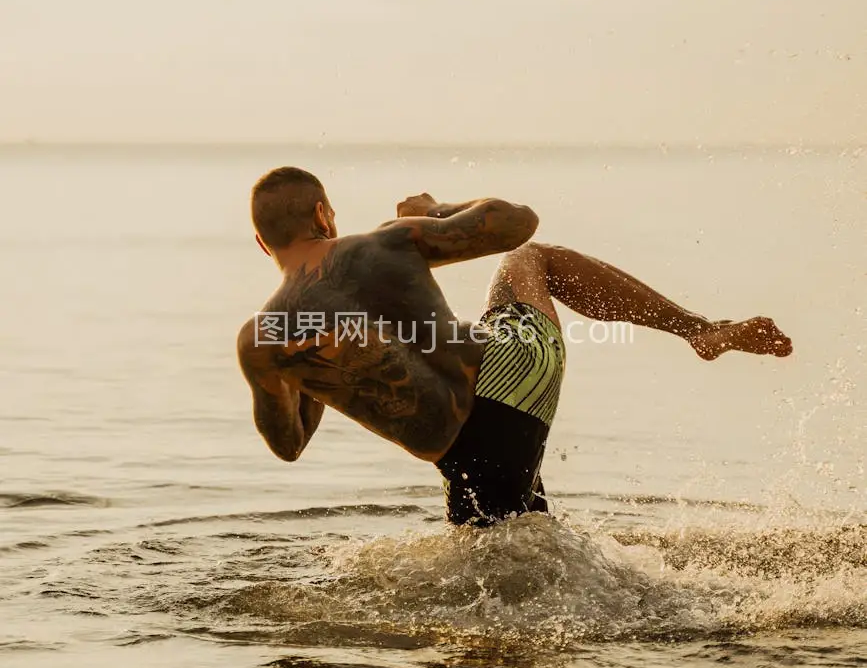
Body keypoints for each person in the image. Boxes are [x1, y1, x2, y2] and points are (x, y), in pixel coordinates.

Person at [237, 166, 792, 526]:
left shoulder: (262, 340)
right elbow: (516, 223)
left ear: (262, 243)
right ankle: (698, 329)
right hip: (509, 376)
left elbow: (289, 445)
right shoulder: (383, 241)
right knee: (531, 261)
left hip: (461, 455)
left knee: (487, 634)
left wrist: (307, 372)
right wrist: (427, 214)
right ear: (321, 213)